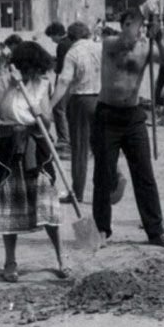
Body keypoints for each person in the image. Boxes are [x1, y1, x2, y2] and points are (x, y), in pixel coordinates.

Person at [0, 42, 70, 282]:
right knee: (9, 205)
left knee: (46, 201)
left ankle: (61, 258)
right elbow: (0, 112)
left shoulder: (44, 84)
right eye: (31, 70)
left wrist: (42, 113)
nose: (35, 74)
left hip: (36, 145)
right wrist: (13, 87)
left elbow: (47, 121)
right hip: (8, 145)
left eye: (38, 70)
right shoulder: (3, 81)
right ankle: (10, 262)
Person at [91, 8, 164, 248]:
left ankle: (155, 230)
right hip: (107, 115)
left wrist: (159, 38)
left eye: (136, 25)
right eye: (127, 24)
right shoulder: (110, 43)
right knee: (103, 176)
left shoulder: (145, 48)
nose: (132, 29)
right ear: (121, 25)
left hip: (133, 117)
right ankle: (101, 231)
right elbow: (124, 41)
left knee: (145, 175)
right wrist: (139, 21)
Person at [50, 21, 117, 206]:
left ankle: (77, 192)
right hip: (102, 98)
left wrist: (50, 105)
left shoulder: (74, 52)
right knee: (102, 146)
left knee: (79, 149)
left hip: (81, 99)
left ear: (71, 37)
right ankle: (113, 183)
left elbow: (64, 81)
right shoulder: (100, 47)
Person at [45, 21, 72, 152]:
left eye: (51, 37)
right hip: (73, 81)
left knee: (58, 109)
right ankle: (69, 137)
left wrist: (55, 68)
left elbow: (60, 68)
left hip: (63, 80)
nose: (52, 40)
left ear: (56, 34)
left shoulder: (61, 45)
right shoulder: (71, 42)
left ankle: (63, 139)